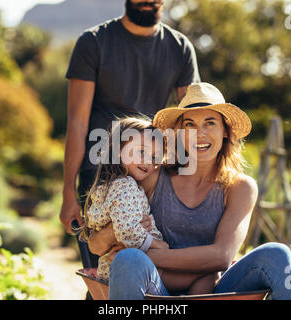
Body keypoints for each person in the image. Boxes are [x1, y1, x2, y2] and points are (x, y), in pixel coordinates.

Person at [88, 82, 291, 299]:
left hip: (215, 291)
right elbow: (96, 246)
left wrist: (147, 253)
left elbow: (221, 257)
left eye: (210, 123)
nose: (200, 134)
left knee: (277, 254)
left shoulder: (240, 188)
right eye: (190, 125)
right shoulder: (153, 177)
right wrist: (116, 232)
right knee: (128, 260)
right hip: (159, 289)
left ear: (226, 131)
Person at [60, 0, 201, 270]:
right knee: (101, 271)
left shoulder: (180, 47)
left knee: (152, 273)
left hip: (155, 174)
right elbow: (77, 122)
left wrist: (193, 181)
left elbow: (189, 121)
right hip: (101, 171)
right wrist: (68, 191)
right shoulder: (93, 42)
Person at [79, 117, 219, 295]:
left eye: (154, 157)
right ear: (118, 150)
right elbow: (128, 231)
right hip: (135, 266)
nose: (148, 162)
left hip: (131, 265)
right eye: (141, 152)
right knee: (206, 276)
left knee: (205, 277)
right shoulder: (125, 186)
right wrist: (157, 245)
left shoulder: (119, 184)